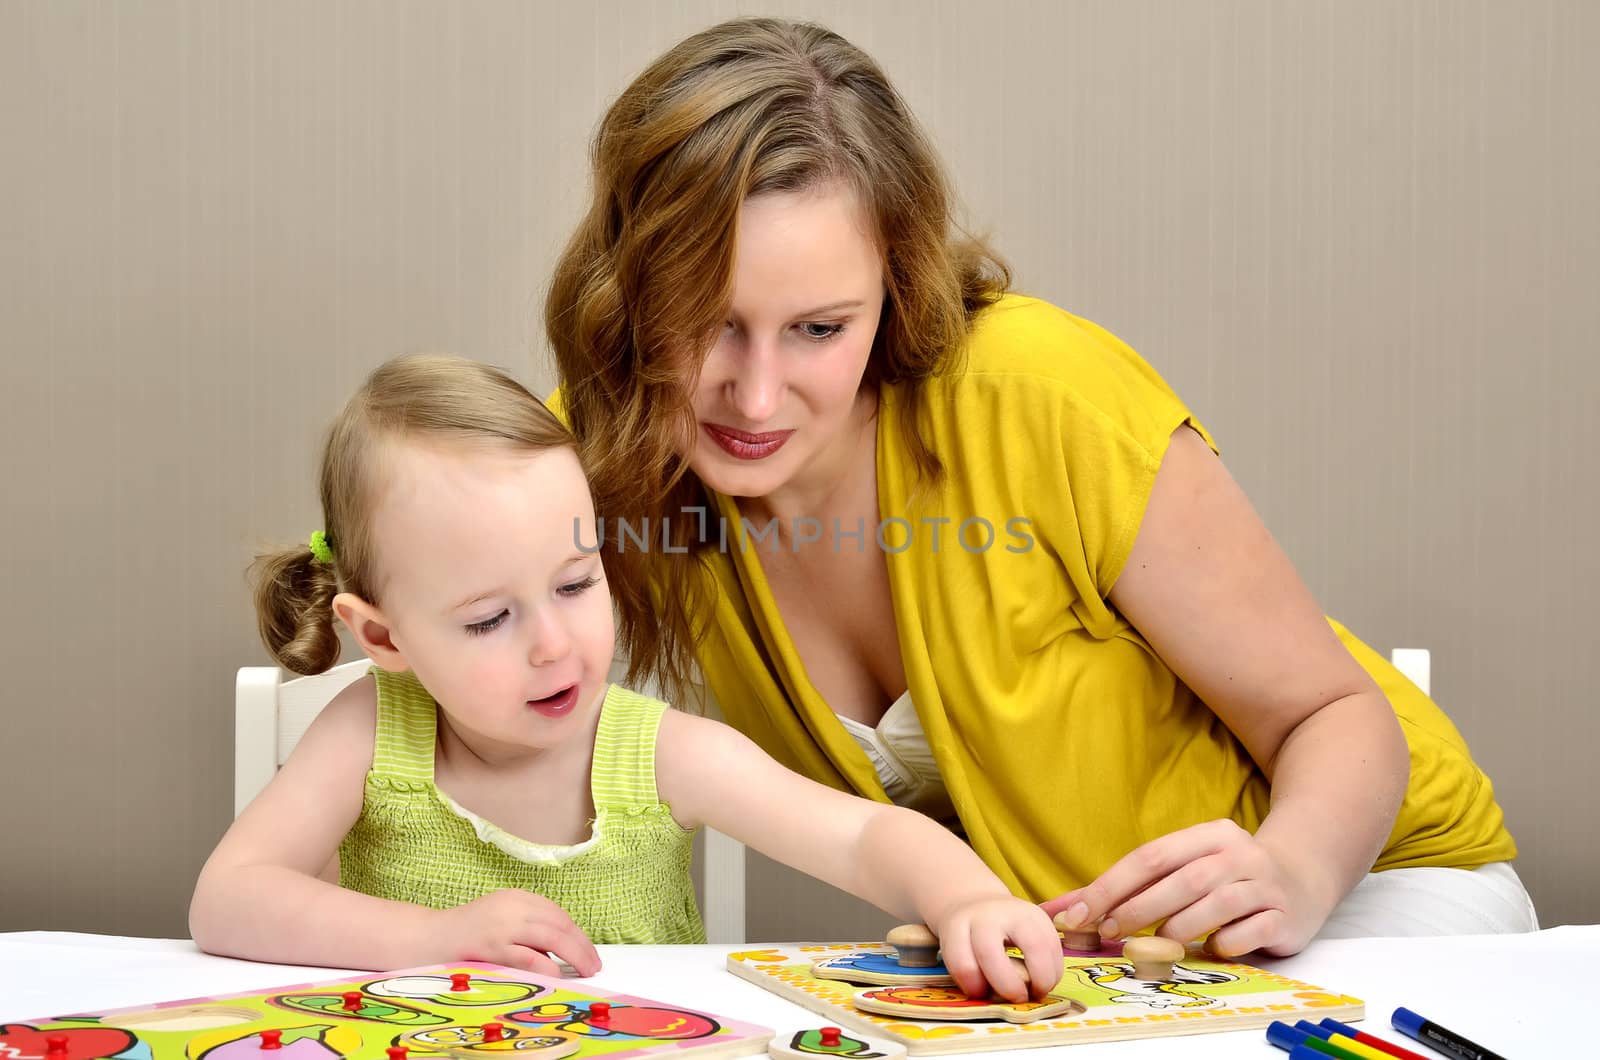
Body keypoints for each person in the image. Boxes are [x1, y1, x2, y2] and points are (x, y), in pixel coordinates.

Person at [543, 16, 1536, 959]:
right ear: (625, 296)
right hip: (1099, 973)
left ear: (894, 287)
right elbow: (421, 652)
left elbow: (1332, 715)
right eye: (706, 320)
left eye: (818, 328)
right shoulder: (600, 456)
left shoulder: (1038, 391)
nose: (754, 394)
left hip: (1370, 889)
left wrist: (1293, 866)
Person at [188, 354, 1063, 1000]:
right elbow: (228, 900)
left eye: (576, 583)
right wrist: (438, 938)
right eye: (490, 619)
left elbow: (861, 839)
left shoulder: (659, 755)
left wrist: (967, 899)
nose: (553, 646)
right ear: (384, 637)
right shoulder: (370, 732)